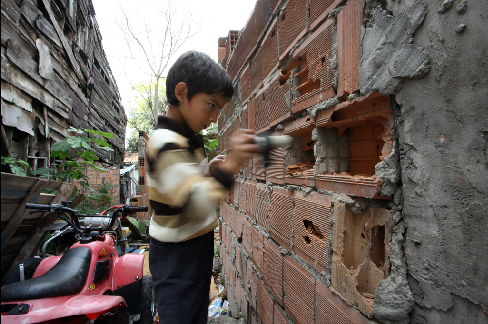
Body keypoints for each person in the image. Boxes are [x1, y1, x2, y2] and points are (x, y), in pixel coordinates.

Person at [147, 50, 260, 324]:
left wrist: (207, 170)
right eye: (211, 105)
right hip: (177, 255)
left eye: (218, 110)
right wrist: (231, 164)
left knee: (194, 312)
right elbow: (196, 202)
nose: (214, 117)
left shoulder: (185, 137)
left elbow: (182, 181)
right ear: (182, 92)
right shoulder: (165, 142)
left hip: (192, 246)